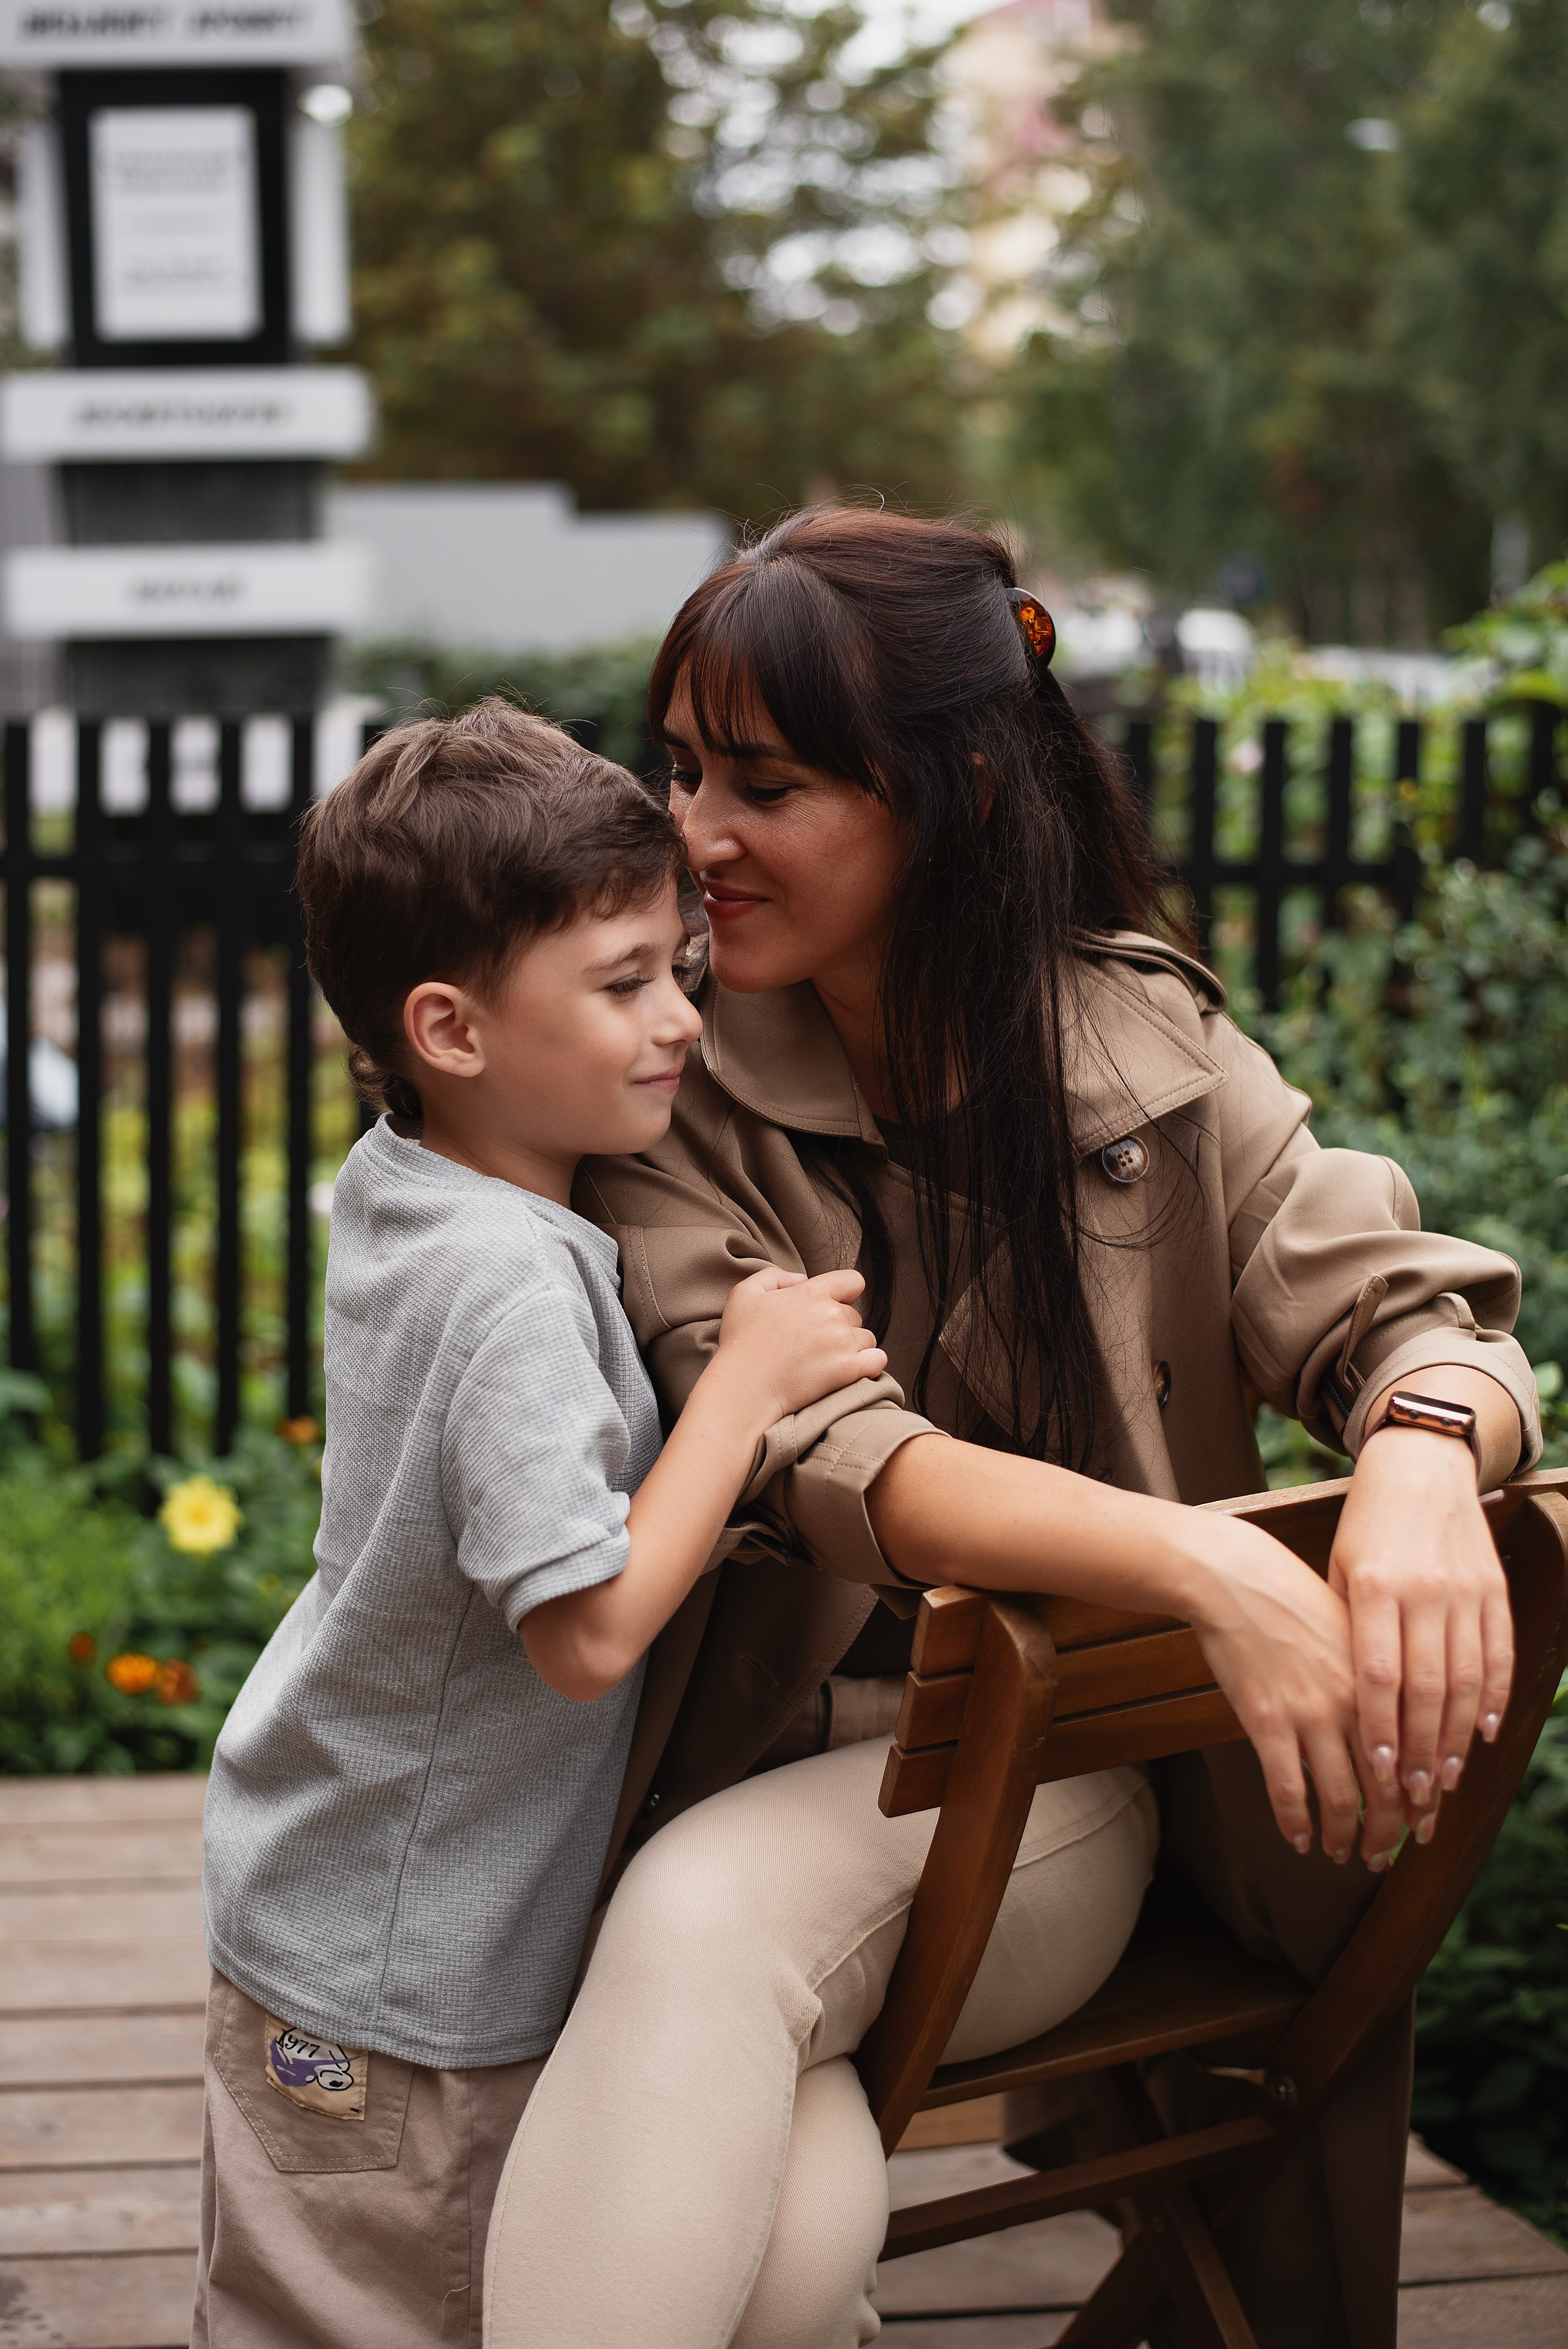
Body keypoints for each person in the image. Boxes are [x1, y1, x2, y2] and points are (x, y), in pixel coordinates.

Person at [481, 512, 1539, 2349]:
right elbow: (832, 1454)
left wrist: (1431, 1459)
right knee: (786, 2265)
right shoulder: (663, 1089)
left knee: (705, 1922)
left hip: (1035, 1804)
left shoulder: (1148, 1053)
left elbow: (1398, 1306)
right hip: (723, 1769)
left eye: (765, 781)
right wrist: (1206, 1562)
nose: (693, 835)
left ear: (954, 788)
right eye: (678, 772)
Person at [192, 702, 887, 2349]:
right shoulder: (503, 1284)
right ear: (449, 1027)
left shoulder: (423, 1184)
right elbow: (580, 1637)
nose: (681, 1024)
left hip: (383, 1898)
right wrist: (743, 1390)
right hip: (391, 1964)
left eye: (678, 970)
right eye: (624, 982)